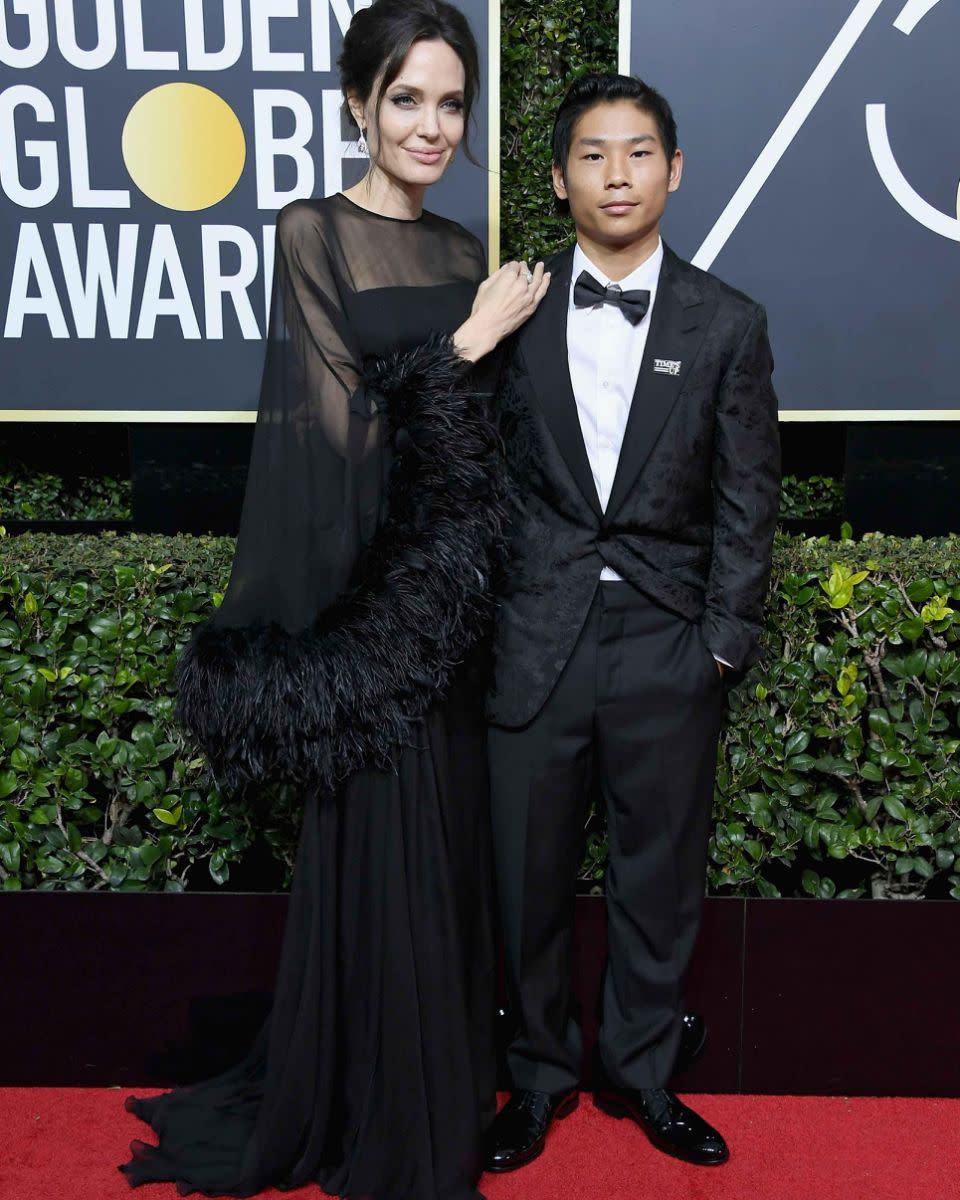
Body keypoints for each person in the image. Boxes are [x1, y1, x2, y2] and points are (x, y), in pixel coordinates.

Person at [118, 3, 549, 1197]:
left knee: (450, 856)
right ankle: (371, 1109)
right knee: (380, 857)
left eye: (450, 102)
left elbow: (481, 455)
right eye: (405, 98)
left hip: (452, 618)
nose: (429, 124)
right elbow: (331, 431)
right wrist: (466, 349)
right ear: (360, 103)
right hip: (368, 625)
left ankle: (441, 1088)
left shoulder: (465, 251)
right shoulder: (313, 231)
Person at [484, 72, 781, 1172]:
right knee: (525, 879)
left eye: (640, 152)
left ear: (674, 171)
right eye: (596, 155)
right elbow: (467, 483)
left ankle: (646, 1075)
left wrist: (721, 643)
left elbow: (752, 499)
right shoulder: (509, 308)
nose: (618, 173)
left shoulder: (728, 323)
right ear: (559, 179)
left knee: (660, 878)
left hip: (667, 644)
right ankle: (535, 1079)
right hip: (533, 640)